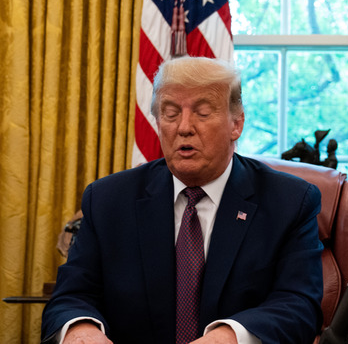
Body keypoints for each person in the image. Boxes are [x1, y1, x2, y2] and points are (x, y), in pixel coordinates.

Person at [41, 57, 324, 344]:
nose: (184, 127)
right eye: (171, 113)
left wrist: (230, 336)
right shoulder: (108, 200)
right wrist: (81, 330)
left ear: (236, 123)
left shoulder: (289, 202)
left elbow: (299, 305)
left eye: (202, 113)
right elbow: (72, 296)